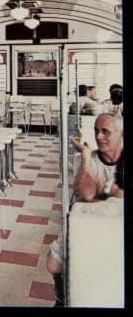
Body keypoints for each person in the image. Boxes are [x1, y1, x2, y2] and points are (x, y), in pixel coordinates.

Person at [45, 113, 123, 305]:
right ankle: (62, 297)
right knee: (53, 264)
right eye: (96, 130)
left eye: (106, 131)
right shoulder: (92, 159)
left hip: (114, 226)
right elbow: (86, 195)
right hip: (88, 222)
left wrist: (102, 196)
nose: (98, 136)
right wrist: (87, 157)